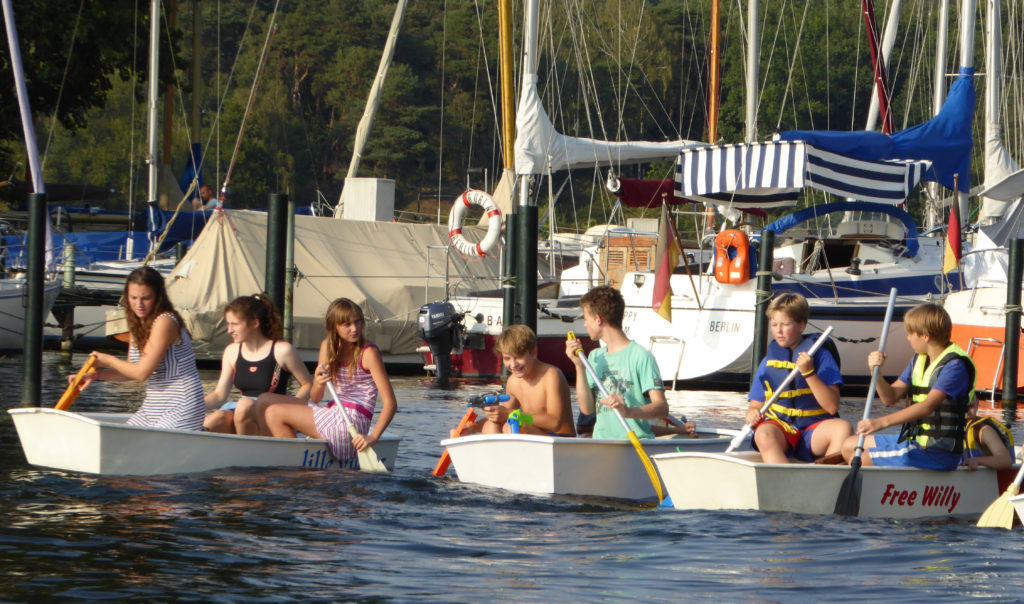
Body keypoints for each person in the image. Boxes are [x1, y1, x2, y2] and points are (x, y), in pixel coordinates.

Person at [840, 303, 975, 471]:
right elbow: (889, 398)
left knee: (861, 458)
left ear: (925, 336)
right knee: (848, 445)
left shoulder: (955, 366)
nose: (908, 338)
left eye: (910, 333)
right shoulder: (919, 359)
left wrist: (880, 423)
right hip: (916, 441)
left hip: (938, 453)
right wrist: (876, 372)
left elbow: (927, 406)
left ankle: (888, 492)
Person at [265, 298, 397, 461]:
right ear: (334, 327)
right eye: (347, 325)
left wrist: (373, 437)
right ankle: (298, 458)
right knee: (267, 401)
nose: (354, 329)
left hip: (352, 423)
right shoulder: (327, 347)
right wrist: (319, 382)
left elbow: (390, 403)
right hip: (334, 413)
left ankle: (296, 465)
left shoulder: (369, 353)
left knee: (274, 413)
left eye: (357, 322)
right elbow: (316, 397)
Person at [74, 266, 205, 430]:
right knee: (121, 441)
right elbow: (131, 372)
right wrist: (96, 375)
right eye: (133, 297)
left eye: (146, 298)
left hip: (182, 405)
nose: (139, 304)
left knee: (145, 442)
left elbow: (142, 373)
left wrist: (108, 360)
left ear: (158, 296)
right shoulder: (139, 323)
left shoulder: (165, 321)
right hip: (153, 406)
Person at [745, 293, 849, 463]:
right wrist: (752, 414)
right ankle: (784, 480)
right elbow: (755, 405)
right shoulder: (768, 361)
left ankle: (825, 481)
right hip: (782, 429)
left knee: (843, 428)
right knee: (762, 433)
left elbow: (832, 407)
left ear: (801, 325)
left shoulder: (821, 357)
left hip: (814, 430)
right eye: (774, 324)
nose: (778, 330)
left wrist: (809, 373)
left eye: (785, 324)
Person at [564, 285, 668, 440]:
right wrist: (579, 365)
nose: (585, 324)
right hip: (602, 443)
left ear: (598, 319)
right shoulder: (594, 357)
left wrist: (628, 412)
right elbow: (587, 409)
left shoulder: (641, 356)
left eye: (586, 319)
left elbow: (662, 408)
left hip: (635, 442)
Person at [203, 294, 313, 435]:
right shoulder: (231, 351)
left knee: (244, 405)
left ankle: (246, 449)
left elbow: (308, 384)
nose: (229, 330)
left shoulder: (282, 350)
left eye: (235, 324)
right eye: (228, 324)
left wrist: (291, 412)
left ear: (255, 323)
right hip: (241, 411)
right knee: (216, 418)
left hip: (269, 411)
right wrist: (193, 406)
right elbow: (219, 395)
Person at [477, 325, 575, 437]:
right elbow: (502, 416)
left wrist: (511, 414)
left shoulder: (551, 375)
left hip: (561, 441)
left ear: (534, 353)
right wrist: (469, 428)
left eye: (518, 357)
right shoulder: (513, 381)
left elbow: (555, 422)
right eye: (507, 358)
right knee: (490, 425)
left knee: (513, 425)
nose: (513, 364)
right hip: (537, 437)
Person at [962, 400, 1014, 471]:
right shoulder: (950, 429)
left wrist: (977, 461)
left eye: (971, 406)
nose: (967, 412)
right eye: (963, 407)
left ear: (977, 405)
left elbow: (1006, 460)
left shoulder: (984, 431)